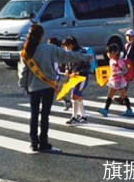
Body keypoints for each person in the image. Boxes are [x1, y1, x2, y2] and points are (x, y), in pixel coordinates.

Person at [18, 24, 91, 152]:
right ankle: (44, 142)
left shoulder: (27, 50)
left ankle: (33, 142)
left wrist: (24, 86)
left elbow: (23, 72)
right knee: (45, 115)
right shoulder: (50, 48)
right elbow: (67, 56)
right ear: (42, 36)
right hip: (48, 86)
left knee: (34, 115)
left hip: (33, 87)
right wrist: (84, 57)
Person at [59, 36, 89, 125]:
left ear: (72, 45)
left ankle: (74, 117)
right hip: (74, 78)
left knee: (74, 96)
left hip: (81, 78)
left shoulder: (82, 53)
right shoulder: (70, 53)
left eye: (66, 46)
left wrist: (76, 72)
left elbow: (85, 66)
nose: (65, 48)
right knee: (78, 97)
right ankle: (83, 116)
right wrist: (67, 70)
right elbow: (68, 64)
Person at [97, 44, 133, 117]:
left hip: (120, 81)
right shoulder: (111, 60)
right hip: (113, 81)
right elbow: (111, 70)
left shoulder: (119, 61)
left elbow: (125, 70)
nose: (109, 54)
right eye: (108, 53)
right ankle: (106, 109)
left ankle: (129, 109)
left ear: (116, 52)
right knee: (109, 95)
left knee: (123, 96)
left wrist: (117, 74)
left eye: (111, 52)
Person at [47, 37, 72, 111]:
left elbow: (54, 66)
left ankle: (47, 108)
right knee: (55, 90)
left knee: (50, 92)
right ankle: (66, 101)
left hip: (54, 75)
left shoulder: (54, 53)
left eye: (49, 44)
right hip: (53, 74)